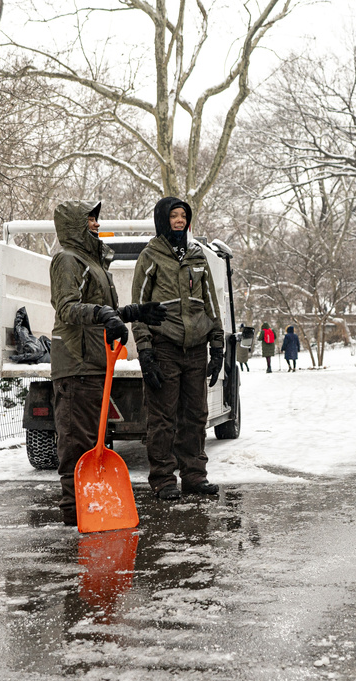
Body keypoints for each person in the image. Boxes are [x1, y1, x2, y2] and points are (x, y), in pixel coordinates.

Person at [49, 200, 166, 526]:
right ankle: (74, 514)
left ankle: (88, 511)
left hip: (96, 362)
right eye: (90, 220)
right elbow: (68, 309)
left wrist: (134, 313)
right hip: (76, 362)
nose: (96, 225)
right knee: (76, 443)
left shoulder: (93, 261)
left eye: (96, 219)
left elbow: (104, 310)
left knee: (89, 441)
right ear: (75, 225)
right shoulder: (67, 260)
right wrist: (102, 314)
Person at [132, 196, 225, 501]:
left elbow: (210, 301)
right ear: (163, 219)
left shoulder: (197, 255)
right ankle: (162, 479)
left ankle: (195, 476)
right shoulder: (151, 256)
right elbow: (140, 308)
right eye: (174, 215)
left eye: (184, 215)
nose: (180, 220)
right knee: (162, 418)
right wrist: (145, 350)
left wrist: (218, 343)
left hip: (196, 349)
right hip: (165, 346)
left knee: (196, 415)